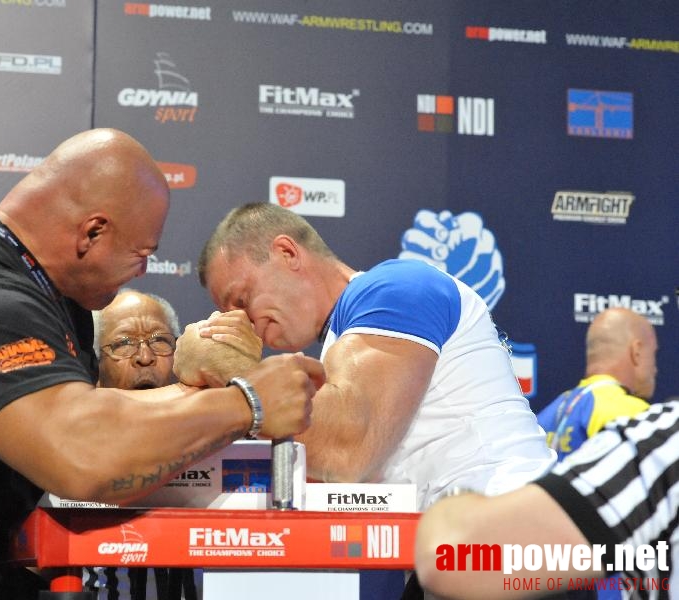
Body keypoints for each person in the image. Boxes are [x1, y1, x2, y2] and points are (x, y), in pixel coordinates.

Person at [0, 130, 323, 599]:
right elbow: (85, 456)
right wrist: (246, 403)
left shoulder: (11, 273)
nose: (141, 272)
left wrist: (195, 389)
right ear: (91, 233)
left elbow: (111, 455)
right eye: (141, 254)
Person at [179, 202, 556, 510]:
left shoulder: (396, 288)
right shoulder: (338, 350)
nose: (241, 322)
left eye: (242, 300)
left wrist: (228, 366)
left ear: (287, 252)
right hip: (462, 549)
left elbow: (348, 452)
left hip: (512, 532)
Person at [414, 397, 679, 600]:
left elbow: (455, 554)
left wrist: (455, 502)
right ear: (636, 352)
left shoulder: (564, 405)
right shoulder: (619, 407)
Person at [88, 288, 198, 600]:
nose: (145, 357)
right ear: (94, 363)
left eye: (160, 341)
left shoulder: (216, 434)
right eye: (123, 343)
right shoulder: (70, 447)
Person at [537, 307, 657, 460]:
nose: (655, 369)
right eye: (653, 354)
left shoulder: (548, 414)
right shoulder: (631, 413)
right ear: (637, 351)